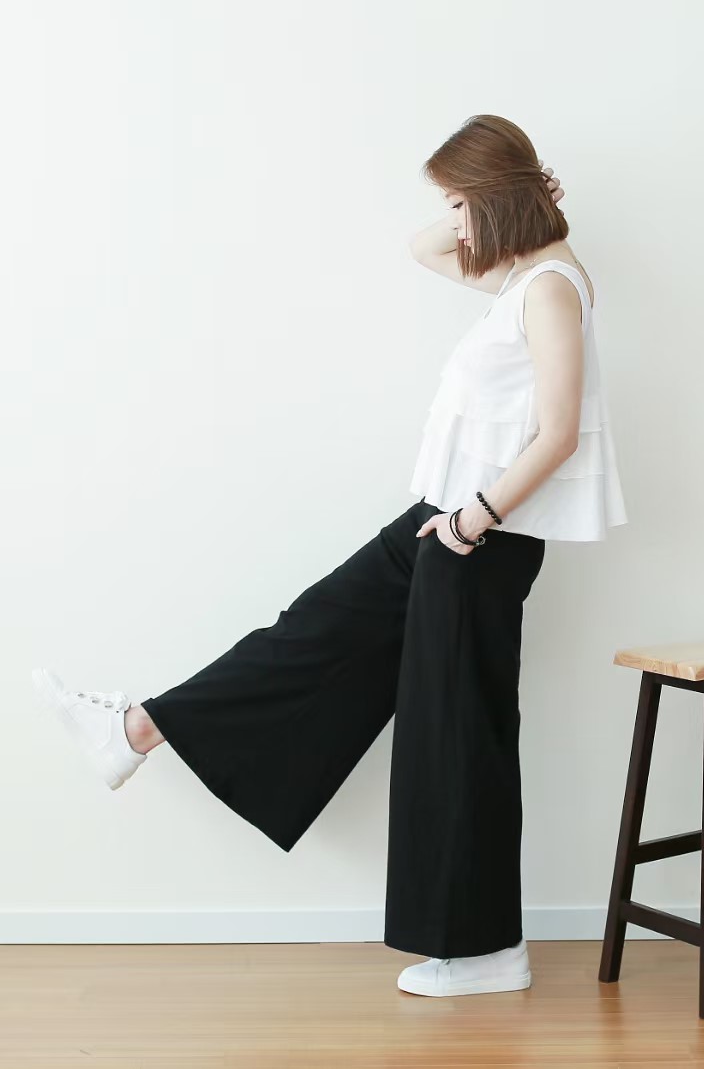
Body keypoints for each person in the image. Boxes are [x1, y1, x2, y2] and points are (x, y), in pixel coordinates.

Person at [32, 114, 629, 998]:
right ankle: (136, 731)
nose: (453, 221)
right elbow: (423, 247)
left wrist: (475, 518)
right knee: (313, 634)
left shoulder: (547, 289)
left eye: (460, 202)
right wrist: (507, 199)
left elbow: (559, 431)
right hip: (443, 525)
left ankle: (487, 951)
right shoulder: (516, 275)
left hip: (478, 537)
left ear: (493, 198)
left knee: (454, 735)